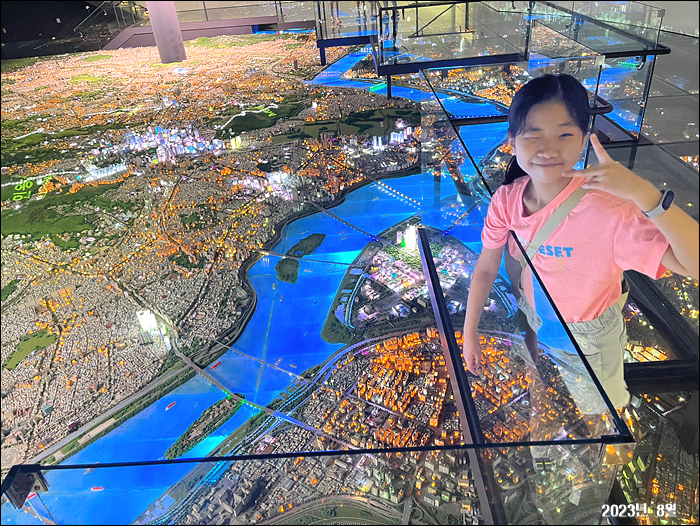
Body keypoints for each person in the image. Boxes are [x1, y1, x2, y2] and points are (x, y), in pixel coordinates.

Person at [462, 74, 699, 412]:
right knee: (551, 402)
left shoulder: (609, 210)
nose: (548, 149)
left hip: (590, 338)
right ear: (512, 141)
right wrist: (470, 332)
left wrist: (644, 194)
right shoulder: (506, 200)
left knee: (598, 412)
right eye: (533, 135)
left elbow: (694, 265)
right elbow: (486, 268)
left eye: (564, 134)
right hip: (536, 318)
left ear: (584, 139)